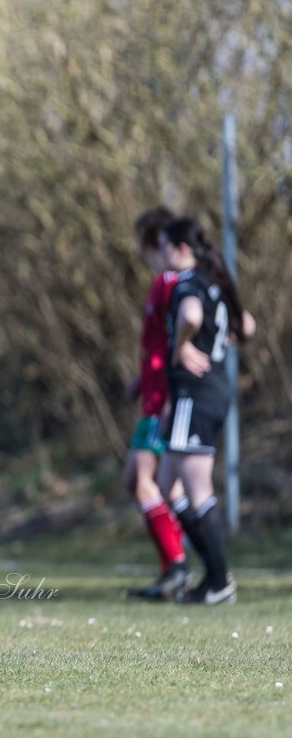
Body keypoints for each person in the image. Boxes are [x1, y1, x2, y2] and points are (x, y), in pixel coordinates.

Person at [157, 216, 255, 605]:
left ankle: (218, 582)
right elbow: (247, 326)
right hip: (208, 392)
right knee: (168, 485)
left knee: (197, 490)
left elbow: (192, 316)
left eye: (164, 245)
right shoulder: (216, 282)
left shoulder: (189, 283)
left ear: (181, 249)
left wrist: (182, 345)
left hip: (196, 393)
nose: (161, 253)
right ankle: (215, 578)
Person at [122, 207, 195, 601]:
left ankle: (178, 566)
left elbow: (175, 340)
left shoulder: (170, 283)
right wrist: (141, 378)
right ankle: (173, 567)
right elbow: (158, 343)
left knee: (146, 481)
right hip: (153, 393)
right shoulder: (161, 282)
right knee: (141, 481)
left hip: (164, 398)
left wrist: (167, 391)